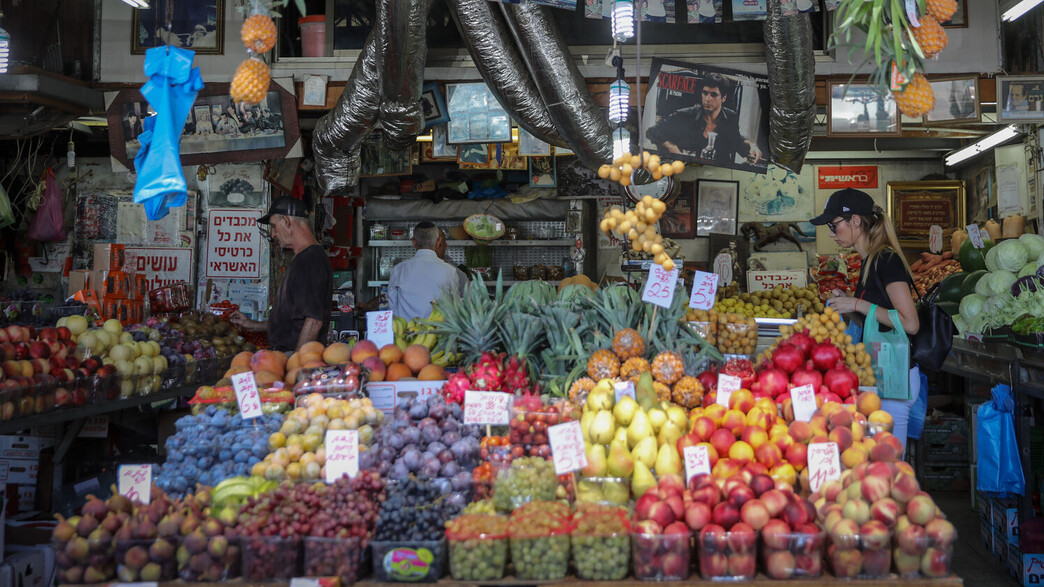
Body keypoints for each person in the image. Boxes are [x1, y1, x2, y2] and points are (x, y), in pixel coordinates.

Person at [811, 188, 921, 453]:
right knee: (876, 459)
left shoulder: (886, 260)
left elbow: (910, 323)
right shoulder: (868, 261)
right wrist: (848, 305)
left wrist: (857, 303)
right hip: (881, 372)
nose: (830, 232)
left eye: (833, 225)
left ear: (856, 221)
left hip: (895, 375)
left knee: (889, 462)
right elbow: (877, 315)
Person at [230, 196, 332, 352]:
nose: (273, 234)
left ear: (286, 221)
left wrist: (297, 366)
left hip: (294, 356)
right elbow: (293, 320)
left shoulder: (311, 260)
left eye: (274, 227)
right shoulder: (303, 258)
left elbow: (313, 321)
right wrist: (253, 325)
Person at [646, 72, 762, 166]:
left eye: (713, 95)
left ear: (723, 98)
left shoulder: (730, 117)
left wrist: (752, 145)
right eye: (705, 93)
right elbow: (652, 131)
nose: (707, 99)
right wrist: (670, 146)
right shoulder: (685, 115)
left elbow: (735, 139)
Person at [387, 222, 462, 320]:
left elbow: (392, 305)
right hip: (439, 333)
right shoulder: (450, 271)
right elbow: (455, 307)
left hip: (406, 332)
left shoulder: (399, 269)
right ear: (438, 241)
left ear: (413, 242)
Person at [435, 228, 468, 293]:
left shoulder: (458, 275)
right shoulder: (412, 271)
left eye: (439, 246)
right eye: (430, 246)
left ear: (445, 246)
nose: (434, 250)